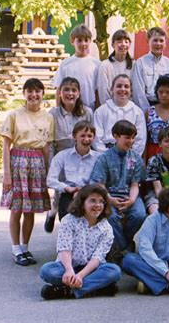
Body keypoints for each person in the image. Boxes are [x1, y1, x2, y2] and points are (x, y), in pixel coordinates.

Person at [0, 78, 54, 266]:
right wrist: (6, 173)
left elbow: (47, 147)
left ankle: (25, 247)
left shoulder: (48, 118)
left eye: (37, 91)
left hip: (37, 162)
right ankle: (15, 248)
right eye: (29, 91)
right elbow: (6, 146)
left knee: (30, 209)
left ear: (42, 94)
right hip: (18, 162)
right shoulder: (14, 115)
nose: (34, 95)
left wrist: (49, 172)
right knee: (17, 207)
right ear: (24, 93)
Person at [39, 184, 122, 299]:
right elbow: (65, 248)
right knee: (47, 270)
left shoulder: (106, 228)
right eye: (92, 201)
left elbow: (97, 258)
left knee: (114, 271)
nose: (97, 205)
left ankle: (69, 291)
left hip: (92, 269)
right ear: (82, 203)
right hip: (67, 267)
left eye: (101, 202)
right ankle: (96, 288)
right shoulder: (68, 221)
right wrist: (69, 270)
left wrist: (80, 276)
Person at [45, 77, 94, 232]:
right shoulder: (53, 113)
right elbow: (50, 142)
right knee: (61, 189)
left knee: (79, 185)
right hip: (61, 154)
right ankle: (53, 212)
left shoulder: (86, 112)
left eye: (73, 90)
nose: (70, 93)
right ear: (59, 93)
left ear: (79, 93)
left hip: (81, 153)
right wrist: (50, 163)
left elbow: (91, 135)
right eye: (66, 90)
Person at [89, 120, 146, 252]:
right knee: (111, 216)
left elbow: (135, 184)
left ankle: (122, 245)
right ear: (115, 136)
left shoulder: (136, 158)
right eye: (127, 137)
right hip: (108, 195)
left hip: (129, 195)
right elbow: (100, 184)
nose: (131, 141)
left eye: (133, 138)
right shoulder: (104, 158)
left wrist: (131, 200)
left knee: (139, 215)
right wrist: (109, 199)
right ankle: (124, 249)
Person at [47, 121, 101, 220]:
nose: (86, 139)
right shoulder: (62, 156)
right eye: (82, 136)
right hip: (69, 193)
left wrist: (83, 192)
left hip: (92, 193)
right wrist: (67, 188)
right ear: (74, 136)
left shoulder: (99, 158)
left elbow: (101, 180)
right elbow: (50, 180)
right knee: (67, 219)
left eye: (90, 136)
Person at [94, 74, 147, 155]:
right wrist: (106, 156)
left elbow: (140, 140)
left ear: (131, 90)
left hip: (129, 153)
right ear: (112, 89)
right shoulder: (101, 111)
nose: (123, 89)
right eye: (119, 86)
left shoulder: (137, 112)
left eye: (126, 86)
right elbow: (96, 139)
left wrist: (131, 157)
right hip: (106, 153)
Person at [53, 24, 100, 110]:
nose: (83, 44)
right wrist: (59, 110)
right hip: (69, 109)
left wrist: (97, 111)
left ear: (90, 41)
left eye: (86, 40)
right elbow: (59, 89)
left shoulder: (96, 64)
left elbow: (97, 91)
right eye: (79, 40)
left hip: (89, 108)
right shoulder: (66, 64)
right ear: (72, 41)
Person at [131, 27, 169, 109]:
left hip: (165, 107)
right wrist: (147, 112)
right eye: (155, 40)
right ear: (148, 41)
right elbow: (138, 92)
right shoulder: (140, 63)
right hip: (146, 105)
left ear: (165, 43)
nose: (158, 44)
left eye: (161, 41)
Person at [97, 29, 134, 105]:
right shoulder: (105, 65)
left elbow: (135, 90)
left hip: (130, 108)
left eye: (126, 42)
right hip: (110, 108)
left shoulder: (134, 65)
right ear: (113, 45)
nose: (123, 44)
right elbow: (103, 92)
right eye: (119, 42)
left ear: (129, 44)